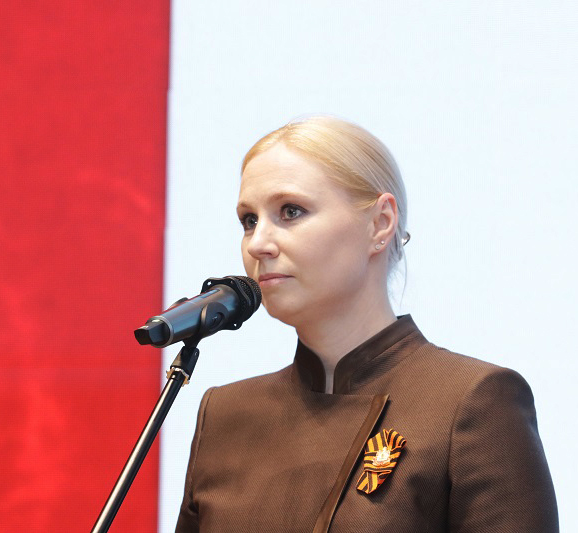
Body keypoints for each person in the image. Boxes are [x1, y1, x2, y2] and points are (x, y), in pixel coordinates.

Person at [175, 116, 558, 532]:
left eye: (291, 211)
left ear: (380, 223)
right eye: (249, 220)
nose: (258, 244)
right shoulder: (225, 415)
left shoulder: (470, 402)